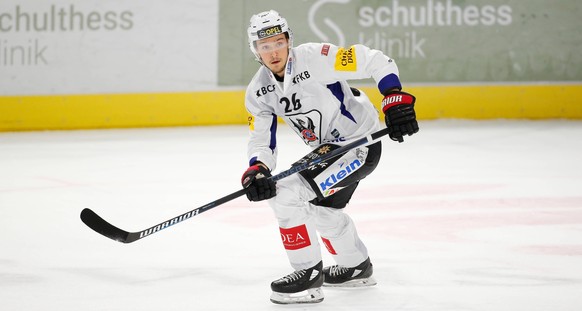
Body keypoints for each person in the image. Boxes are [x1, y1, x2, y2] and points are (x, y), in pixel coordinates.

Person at [240, 10, 419, 304]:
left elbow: (375, 60)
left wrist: (393, 98)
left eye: (278, 42)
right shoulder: (259, 91)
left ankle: (307, 276)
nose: (273, 52)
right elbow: (261, 138)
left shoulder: (315, 57)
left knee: (286, 193)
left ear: (288, 40)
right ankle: (355, 267)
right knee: (319, 209)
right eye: (264, 46)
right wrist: (258, 169)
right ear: (255, 50)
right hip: (330, 150)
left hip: (359, 143)